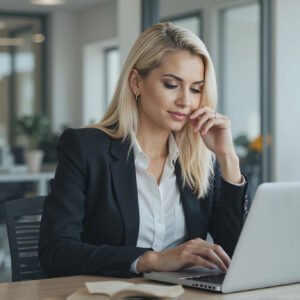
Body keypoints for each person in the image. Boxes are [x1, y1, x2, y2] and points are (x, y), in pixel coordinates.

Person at [38, 22, 250, 278]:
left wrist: (228, 159)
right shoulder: (85, 149)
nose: (186, 101)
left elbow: (234, 256)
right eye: (172, 84)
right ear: (136, 82)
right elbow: (55, 252)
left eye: (196, 89)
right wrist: (151, 260)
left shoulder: (201, 160)